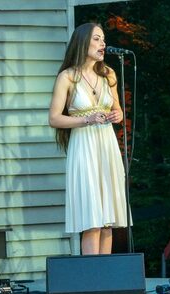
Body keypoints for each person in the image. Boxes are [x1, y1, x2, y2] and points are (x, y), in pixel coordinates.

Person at [48, 23, 129, 255]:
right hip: (84, 145)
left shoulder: (109, 75)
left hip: (106, 144)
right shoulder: (68, 77)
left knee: (107, 221)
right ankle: (91, 282)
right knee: (92, 218)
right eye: (97, 39)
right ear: (83, 42)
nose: (103, 44)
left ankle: (105, 283)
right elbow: (54, 118)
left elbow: (119, 111)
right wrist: (87, 119)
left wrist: (117, 115)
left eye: (103, 39)